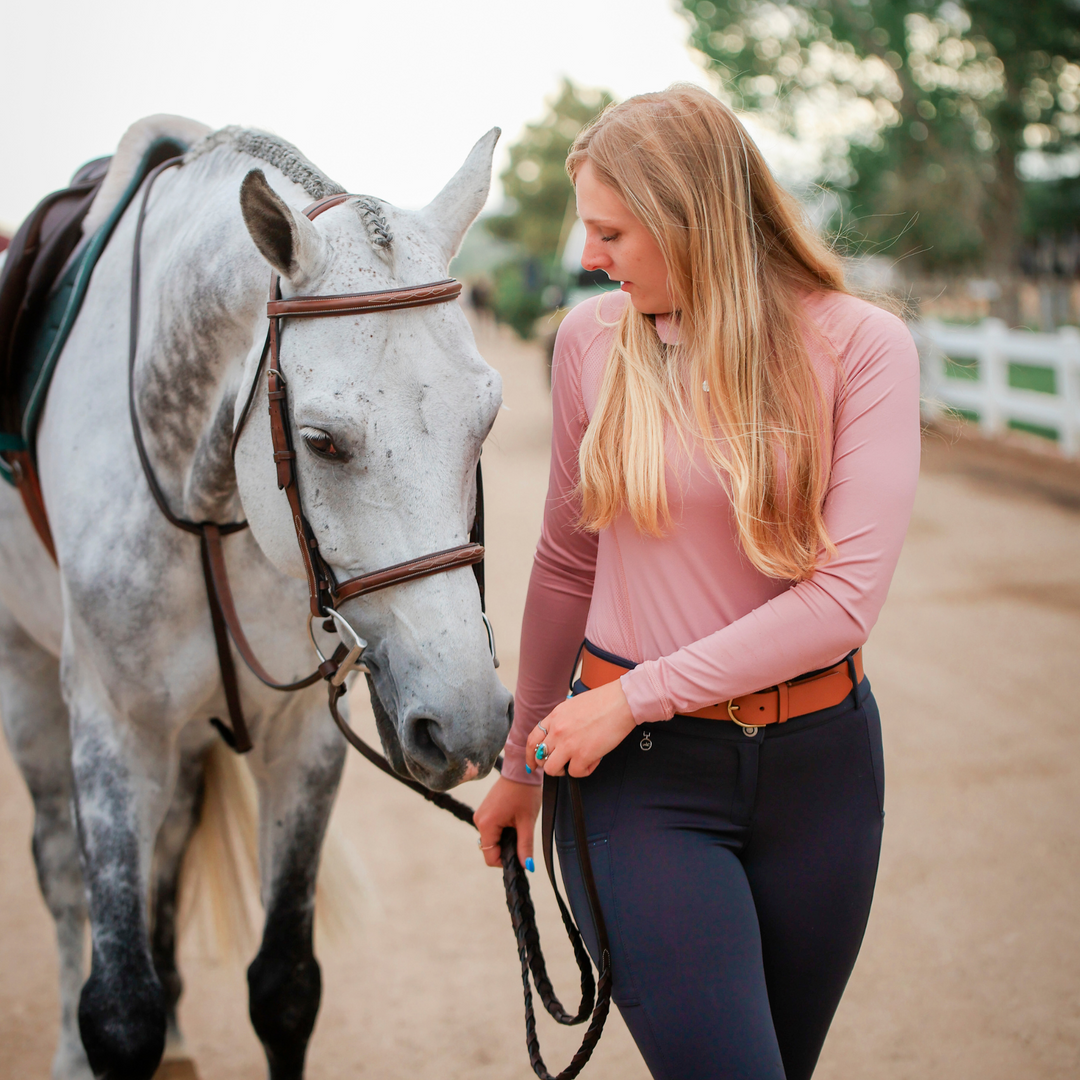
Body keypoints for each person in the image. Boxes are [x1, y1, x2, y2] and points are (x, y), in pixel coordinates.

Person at [474, 85, 920, 1080]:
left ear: (692, 216)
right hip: (639, 783)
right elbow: (564, 562)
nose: (592, 257)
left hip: (823, 774)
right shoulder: (592, 343)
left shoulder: (862, 347)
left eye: (613, 232)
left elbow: (842, 601)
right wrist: (518, 764)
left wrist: (633, 694)